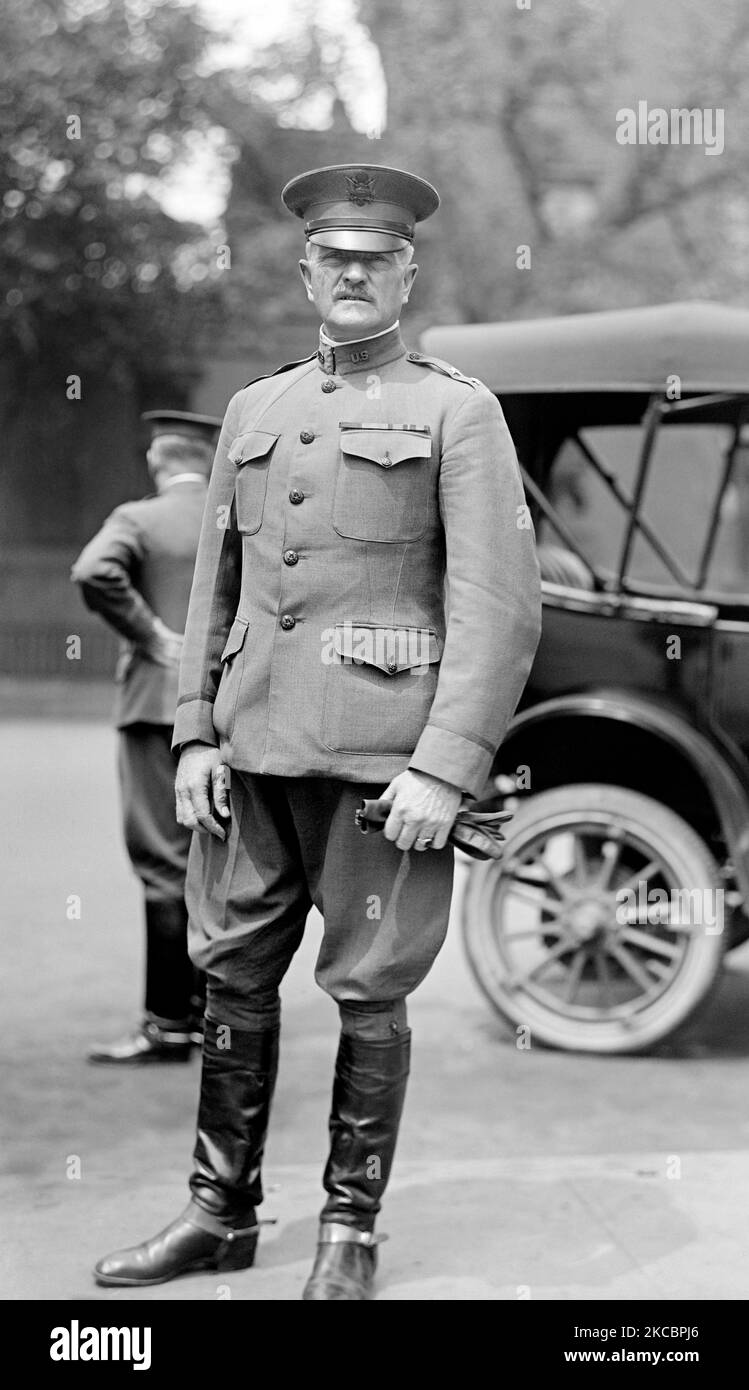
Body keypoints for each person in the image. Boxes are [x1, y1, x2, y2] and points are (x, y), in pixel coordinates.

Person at [94, 163, 542, 1297]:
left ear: (404, 273)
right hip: (249, 756)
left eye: (373, 259)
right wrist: (193, 732)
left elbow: (497, 607)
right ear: (305, 271)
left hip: (382, 765)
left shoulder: (456, 410)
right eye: (331, 258)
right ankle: (217, 1211)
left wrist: (446, 765)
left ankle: (349, 1228)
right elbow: (217, 592)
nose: (350, 275)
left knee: (369, 984)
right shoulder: (258, 408)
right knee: (231, 975)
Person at [72, 411, 221, 1064]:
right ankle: (215, 1018)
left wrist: (150, 634)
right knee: (219, 864)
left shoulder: (138, 517)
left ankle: (167, 1025)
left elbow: (92, 572)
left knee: (163, 864)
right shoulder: (234, 517)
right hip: (226, 711)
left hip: (156, 707)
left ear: (158, 461)